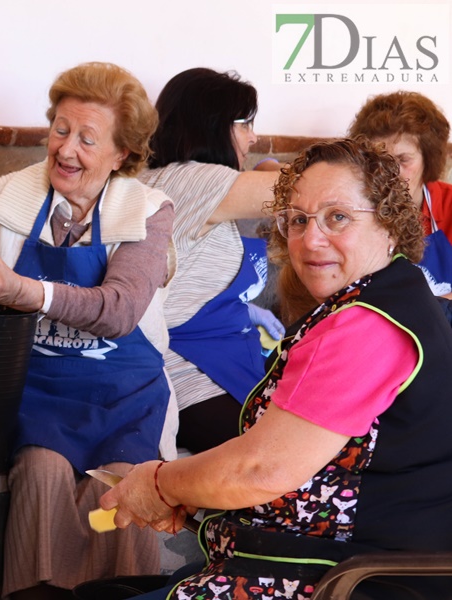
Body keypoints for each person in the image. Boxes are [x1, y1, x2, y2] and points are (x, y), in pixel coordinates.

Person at [103, 138, 452, 600]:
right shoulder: (387, 296)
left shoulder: (368, 324)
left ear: (389, 225)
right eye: (298, 219)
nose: (311, 238)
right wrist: (197, 490)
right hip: (324, 565)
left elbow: (259, 470)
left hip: (344, 582)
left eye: (338, 217)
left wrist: (159, 483)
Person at [0, 62, 175, 599]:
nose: (66, 150)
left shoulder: (148, 210)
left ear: (121, 155)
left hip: (125, 395)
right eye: (61, 130)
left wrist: (19, 290)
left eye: (88, 139)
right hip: (38, 393)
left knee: (121, 487)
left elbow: (119, 310)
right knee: (41, 472)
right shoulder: (13, 197)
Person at [137, 68, 284, 454]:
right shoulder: (192, 180)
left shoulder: (176, 179)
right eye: (246, 124)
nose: (253, 137)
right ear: (213, 125)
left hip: (220, 361)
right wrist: (269, 165)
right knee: (283, 457)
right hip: (192, 376)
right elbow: (312, 192)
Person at [348, 90, 452, 297]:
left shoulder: (449, 205)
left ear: (428, 161)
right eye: (379, 159)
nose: (390, 171)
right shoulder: (355, 209)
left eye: (403, 159)